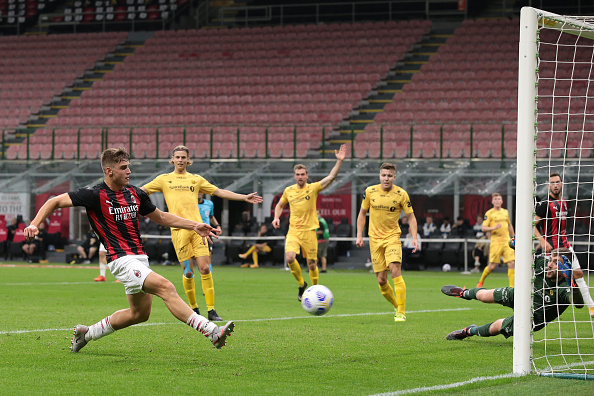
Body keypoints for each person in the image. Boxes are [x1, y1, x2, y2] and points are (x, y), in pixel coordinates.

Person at [23, 147, 234, 352]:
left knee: (139, 314)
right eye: (124, 167)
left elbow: (160, 216)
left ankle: (85, 334)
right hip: (120, 259)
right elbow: (55, 201)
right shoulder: (93, 194)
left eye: (128, 166)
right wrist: (35, 224)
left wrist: (194, 225)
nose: (129, 171)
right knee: (166, 287)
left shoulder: (135, 193)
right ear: (109, 171)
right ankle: (212, 331)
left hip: (139, 258)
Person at [142, 145, 262, 322]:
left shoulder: (196, 180)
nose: (181, 160)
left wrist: (243, 197)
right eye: (178, 157)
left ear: (188, 160)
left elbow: (219, 191)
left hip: (199, 229)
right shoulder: (163, 180)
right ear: (172, 159)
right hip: (178, 230)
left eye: (184, 157)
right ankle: (194, 309)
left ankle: (212, 310)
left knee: (205, 268)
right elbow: (141, 191)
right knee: (189, 272)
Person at [442, 247, 584, 340]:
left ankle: (468, 331)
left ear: (566, 266)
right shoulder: (542, 264)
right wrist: (517, 243)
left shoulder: (565, 287)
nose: (549, 264)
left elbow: (578, 304)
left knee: (496, 327)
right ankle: (464, 293)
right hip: (523, 295)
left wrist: (573, 284)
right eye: (550, 260)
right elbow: (516, 246)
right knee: (483, 296)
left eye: (555, 262)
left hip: (533, 317)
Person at [272, 144, 347, 301]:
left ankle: (315, 290)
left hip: (310, 231)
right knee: (290, 258)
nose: (300, 176)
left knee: (312, 263)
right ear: (295, 176)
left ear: (307, 176)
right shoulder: (289, 191)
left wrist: (339, 161)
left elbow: (330, 178)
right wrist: (276, 217)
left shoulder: (313, 188)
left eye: (302, 174)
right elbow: (279, 205)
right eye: (297, 174)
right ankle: (301, 284)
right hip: (294, 231)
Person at [356, 162, 418, 322]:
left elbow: (411, 216)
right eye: (384, 175)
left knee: (395, 270)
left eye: (389, 176)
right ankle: (397, 306)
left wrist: (414, 237)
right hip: (375, 240)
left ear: (394, 177)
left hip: (392, 238)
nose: (386, 178)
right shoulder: (370, 191)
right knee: (381, 280)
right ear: (379, 176)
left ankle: (401, 312)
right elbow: (362, 213)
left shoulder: (401, 194)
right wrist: (359, 235)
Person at [534, 172, 594, 317]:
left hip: (565, 245)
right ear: (548, 186)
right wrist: (542, 241)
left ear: (562, 184)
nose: (555, 185)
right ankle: (539, 305)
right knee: (548, 279)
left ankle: (591, 307)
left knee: (579, 272)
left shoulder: (564, 202)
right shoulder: (543, 204)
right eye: (552, 183)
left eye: (557, 182)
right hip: (551, 248)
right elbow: (532, 225)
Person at [477, 193, 515, 287]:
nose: (497, 201)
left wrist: (514, 237)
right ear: (492, 201)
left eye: (499, 199)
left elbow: (509, 225)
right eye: (496, 199)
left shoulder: (505, 212)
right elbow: (484, 228)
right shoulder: (489, 213)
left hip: (506, 241)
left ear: (502, 201)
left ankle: (512, 288)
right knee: (492, 266)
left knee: (511, 263)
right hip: (496, 242)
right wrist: (494, 227)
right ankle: (481, 281)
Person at [198, 192, 221, 272]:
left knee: (208, 255)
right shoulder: (190, 205)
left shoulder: (209, 204)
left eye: (200, 191)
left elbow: (211, 216)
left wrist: (217, 225)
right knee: (195, 257)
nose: (198, 193)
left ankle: (208, 276)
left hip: (207, 232)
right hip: (194, 232)